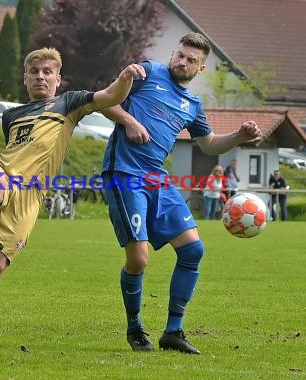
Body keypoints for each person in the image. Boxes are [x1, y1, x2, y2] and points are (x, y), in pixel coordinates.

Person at [0, 47, 145, 352]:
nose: (40, 77)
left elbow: (109, 97)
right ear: (25, 78)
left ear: (58, 78)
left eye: (47, 72)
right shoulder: (11, 115)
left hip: (30, 196)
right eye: (34, 72)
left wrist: (125, 78)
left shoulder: (69, 102)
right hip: (4, 172)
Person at [99, 32, 261, 354]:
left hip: (158, 180)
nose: (182, 61)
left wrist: (240, 137)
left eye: (191, 60)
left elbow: (209, 144)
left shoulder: (193, 105)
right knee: (139, 259)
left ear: (200, 69)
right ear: (173, 53)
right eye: (180, 55)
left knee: (193, 250)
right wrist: (129, 120)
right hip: (125, 175)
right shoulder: (147, 72)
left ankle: (173, 332)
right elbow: (103, 101)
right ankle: (135, 329)